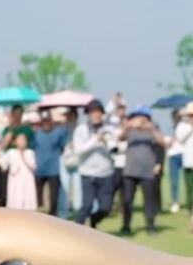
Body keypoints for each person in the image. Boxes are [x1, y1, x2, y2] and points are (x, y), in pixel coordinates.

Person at [68, 99, 117, 227]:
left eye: (98, 112)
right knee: (87, 205)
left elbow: (115, 148)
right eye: (93, 112)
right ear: (88, 114)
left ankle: (94, 220)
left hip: (106, 173)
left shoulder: (108, 129)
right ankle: (75, 230)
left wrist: (108, 141)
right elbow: (78, 150)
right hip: (88, 173)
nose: (96, 115)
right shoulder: (81, 130)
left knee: (106, 207)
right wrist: (95, 140)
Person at [119, 107, 166, 235]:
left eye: (143, 117)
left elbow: (162, 143)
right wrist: (127, 126)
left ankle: (150, 226)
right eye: (137, 116)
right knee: (127, 200)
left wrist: (151, 129)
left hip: (147, 170)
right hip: (130, 170)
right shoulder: (130, 130)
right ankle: (126, 226)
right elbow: (119, 137)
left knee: (149, 201)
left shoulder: (152, 129)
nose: (140, 119)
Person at [30, 108, 68, 217]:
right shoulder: (36, 134)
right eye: (44, 121)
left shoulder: (58, 132)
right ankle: (39, 216)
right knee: (38, 197)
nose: (46, 124)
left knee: (54, 197)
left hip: (53, 170)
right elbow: (31, 147)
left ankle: (53, 216)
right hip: (39, 170)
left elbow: (63, 146)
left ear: (51, 121)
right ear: (41, 122)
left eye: (48, 121)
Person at [173, 101, 193, 215]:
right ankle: (190, 206)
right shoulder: (182, 126)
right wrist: (191, 128)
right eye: (191, 115)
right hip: (188, 160)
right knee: (189, 186)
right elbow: (180, 139)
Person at [3, 131, 38, 211]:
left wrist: (23, 156)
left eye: (23, 140)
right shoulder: (11, 152)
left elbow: (33, 166)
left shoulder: (30, 152)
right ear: (15, 142)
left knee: (27, 195)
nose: (22, 142)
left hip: (27, 179)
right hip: (15, 179)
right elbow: (3, 164)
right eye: (19, 140)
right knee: (15, 197)